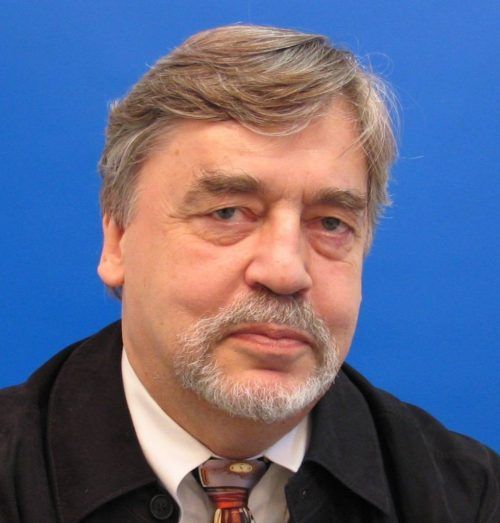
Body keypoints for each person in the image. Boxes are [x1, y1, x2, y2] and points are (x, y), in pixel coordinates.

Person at [0, 24, 498, 523]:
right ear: (117, 238)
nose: (285, 272)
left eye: (330, 223)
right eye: (228, 213)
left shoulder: (472, 499)